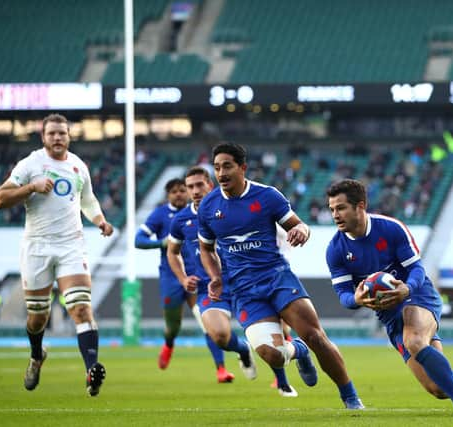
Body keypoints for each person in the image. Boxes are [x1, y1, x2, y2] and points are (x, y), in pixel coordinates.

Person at [325, 179, 453, 417]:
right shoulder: (335, 250)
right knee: (437, 387)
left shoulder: (391, 228)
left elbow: (417, 269)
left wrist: (407, 289)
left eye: (340, 208)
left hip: (418, 296)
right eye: (332, 209)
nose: (335, 215)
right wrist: (358, 300)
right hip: (390, 316)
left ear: (360, 206)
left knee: (414, 341)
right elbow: (343, 295)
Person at [197, 143, 364, 409]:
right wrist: (215, 276)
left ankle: (350, 396)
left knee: (316, 336)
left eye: (227, 166)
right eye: (217, 167)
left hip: (277, 279)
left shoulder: (267, 196)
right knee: (272, 355)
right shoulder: (208, 207)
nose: (221, 173)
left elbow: (299, 225)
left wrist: (301, 231)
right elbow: (205, 249)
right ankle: (299, 351)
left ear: (242, 167)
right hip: (244, 291)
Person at [0, 113, 111, 396]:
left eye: (62, 133)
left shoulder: (77, 165)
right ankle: (37, 356)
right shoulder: (30, 164)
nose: (58, 138)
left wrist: (100, 221)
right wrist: (31, 188)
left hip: (71, 245)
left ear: (69, 136)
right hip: (37, 246)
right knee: (38, 317)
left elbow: (88, 200)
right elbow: (0, 199)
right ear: (43, 137)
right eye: (52, 134)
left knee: (81, 308)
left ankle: (91, 371)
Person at [168, 166, 298, 396]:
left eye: (200, 185)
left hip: (244, 283)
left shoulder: (235, 206)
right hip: (210, 288)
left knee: (274, 331)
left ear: (211, 183)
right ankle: (243, 350)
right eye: (190, 187)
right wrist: (182, 277)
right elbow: (172, 252)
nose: (195, 191)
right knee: (219, 336)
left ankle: (282, 380)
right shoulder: (181, 220)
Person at [135, 178, 234, 382]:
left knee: (206, 320)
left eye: (182, 190)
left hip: (198, 276)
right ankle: (169, 343)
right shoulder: (161, 215)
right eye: (174, 191)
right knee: (173, 325)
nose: (179, 194)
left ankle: (221, 369)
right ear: (168, 195)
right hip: (171, 277)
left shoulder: (202, 213)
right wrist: (163, 243)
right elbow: (139, 240)